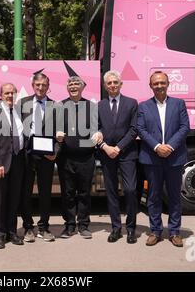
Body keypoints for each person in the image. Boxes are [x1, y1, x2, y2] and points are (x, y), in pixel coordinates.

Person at [137, 71, 190, 247]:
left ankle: (174, 232)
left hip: (174, 157)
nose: (159, 86)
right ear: (150, 86)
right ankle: (155, 231)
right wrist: (157, 147)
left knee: (174, 196)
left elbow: (184, 128)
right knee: (154, 196)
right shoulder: (143, 106)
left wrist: (170, 146)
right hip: (152, 158)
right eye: (155, 83)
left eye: (162, 83)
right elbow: (141, 129)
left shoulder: (179, 104)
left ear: (168, 84)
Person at [56, 76, 101, 239]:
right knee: (67, 193)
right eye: (70, 84)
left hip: (86, 158)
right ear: (67, 88)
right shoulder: (59, 106)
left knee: (84, 193)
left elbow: (98, 126)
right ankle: (69, 226)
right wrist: (56, 135)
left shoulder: (91, 106)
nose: (73, 86)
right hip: (65, 158)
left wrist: (99, 132)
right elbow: (51, 126)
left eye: (76, 84)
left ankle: (83, 225)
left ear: (83, 87)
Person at [18, 73, 60, 243]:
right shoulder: (23, 104)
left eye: (44, 85)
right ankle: (28, 227)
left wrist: (55, 151)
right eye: (38, 85)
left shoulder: (55, 106)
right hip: (27, 154)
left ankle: (44, 227)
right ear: (33, 86)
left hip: (47, 155)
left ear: (48, 86)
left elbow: (61, 132)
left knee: (45, 192)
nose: (41, 88)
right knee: (25, 192)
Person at [98, 70, 139, 244]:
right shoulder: (99, 105)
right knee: (112, 192)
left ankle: (131, 229)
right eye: (109, 83)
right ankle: (116, 228)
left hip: (127, 153)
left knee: (130, 190)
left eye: (115, 82)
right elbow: (97, 128)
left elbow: (134, 129)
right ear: (105, 86)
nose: (113, 85)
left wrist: (119, 147)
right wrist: (105, 145)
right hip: (107, 154)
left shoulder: (131, 103)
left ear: (121, 84)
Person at [0, 83, 25, 249]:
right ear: (1, 94)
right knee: (0, 200)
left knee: (14, 199)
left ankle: (12, 232)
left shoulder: (19, 111)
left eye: (12, 93)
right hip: (2, 163)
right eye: (7, 93)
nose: (10, 96)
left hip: (18, 161)